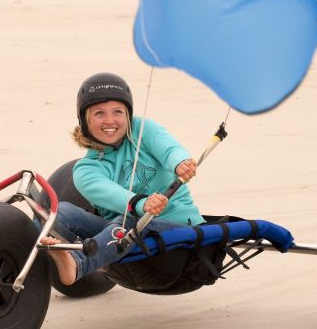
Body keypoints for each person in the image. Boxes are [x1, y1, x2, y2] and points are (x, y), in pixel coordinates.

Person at [41, 72, 205, 285]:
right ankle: (51, 264)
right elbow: (113, 195)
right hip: (124, 232)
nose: (109, 121)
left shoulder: (142, 130)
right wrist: (142, 203)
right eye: (99, 113)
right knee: (54, 213)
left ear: (128, 115)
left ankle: (79, 263)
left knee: (131, 220)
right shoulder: (85, 169)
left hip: (179, 228)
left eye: (117, 112)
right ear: (84, 119)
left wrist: (180, 162)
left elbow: (168, 148)